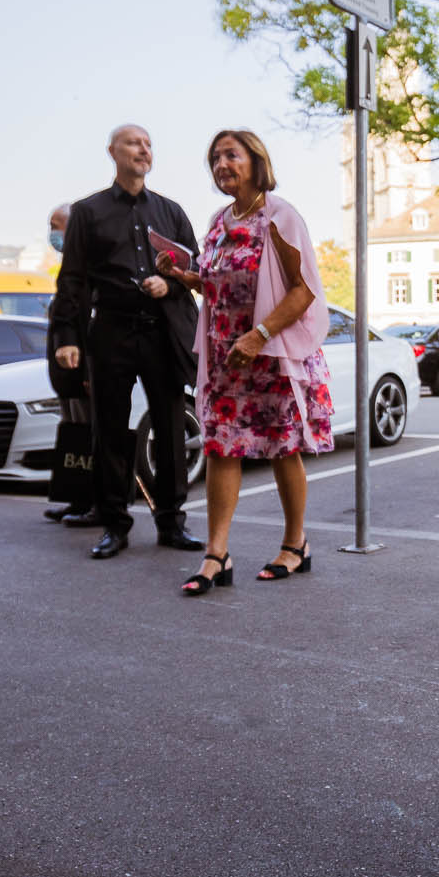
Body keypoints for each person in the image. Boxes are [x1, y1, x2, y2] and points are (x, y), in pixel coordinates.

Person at [166, 130, 333, 594]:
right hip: (226, 356)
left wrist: (259, 336)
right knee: (222, 448)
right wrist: (185, 276)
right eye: (214, 157)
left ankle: (296, 545)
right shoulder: (219, 222)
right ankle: (216, 555)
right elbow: (221, 284)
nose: (221, 164)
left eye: (230, 155)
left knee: (283, 448)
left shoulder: (279, 215)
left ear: (256, 161)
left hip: (269, 352)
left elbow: (303, 291)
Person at [51, 126, 205, 558]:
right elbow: (74, 280)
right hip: (112, 330)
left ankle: (172, 523)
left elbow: (193, 271)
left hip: (161, 330)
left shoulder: (171, 211)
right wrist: (68, 336)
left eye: (149, 144)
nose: (144, 150)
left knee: (171, 429)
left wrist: (169, 286)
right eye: (134, 143)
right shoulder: (88, 211)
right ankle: (114, 524)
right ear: (112, 152)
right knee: (110, 431)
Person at [44, 199, 106, 527]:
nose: (52, 233)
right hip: (66, 374)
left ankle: (96, 503)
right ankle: (77, 499)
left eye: (57, 225)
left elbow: (88, 324)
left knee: (89, 438)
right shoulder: (70, 270)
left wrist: (87, 369)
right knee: (74, 437)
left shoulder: (89, 271)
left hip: (82, 370)